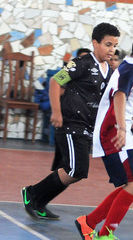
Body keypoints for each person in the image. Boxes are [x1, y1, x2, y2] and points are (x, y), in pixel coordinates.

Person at [21, 23, 120, 220]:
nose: (112, 49)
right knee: (76, 170)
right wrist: (56, 112)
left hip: (87, 127)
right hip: (71, 123)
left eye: (115, 45)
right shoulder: (82, 63)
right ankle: (32, 193)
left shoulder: (108, 70)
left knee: (71, 170)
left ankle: (39, 201)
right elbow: (55, 81)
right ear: (95, 43)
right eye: (108, 44)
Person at [75, 32, 133, 240]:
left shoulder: (131, 69)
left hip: (116, 130)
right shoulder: (129, 70)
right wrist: (122, 127)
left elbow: (131, 93)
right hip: (113, 133)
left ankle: (88, 222)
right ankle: (105, 233)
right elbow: (119, 95)